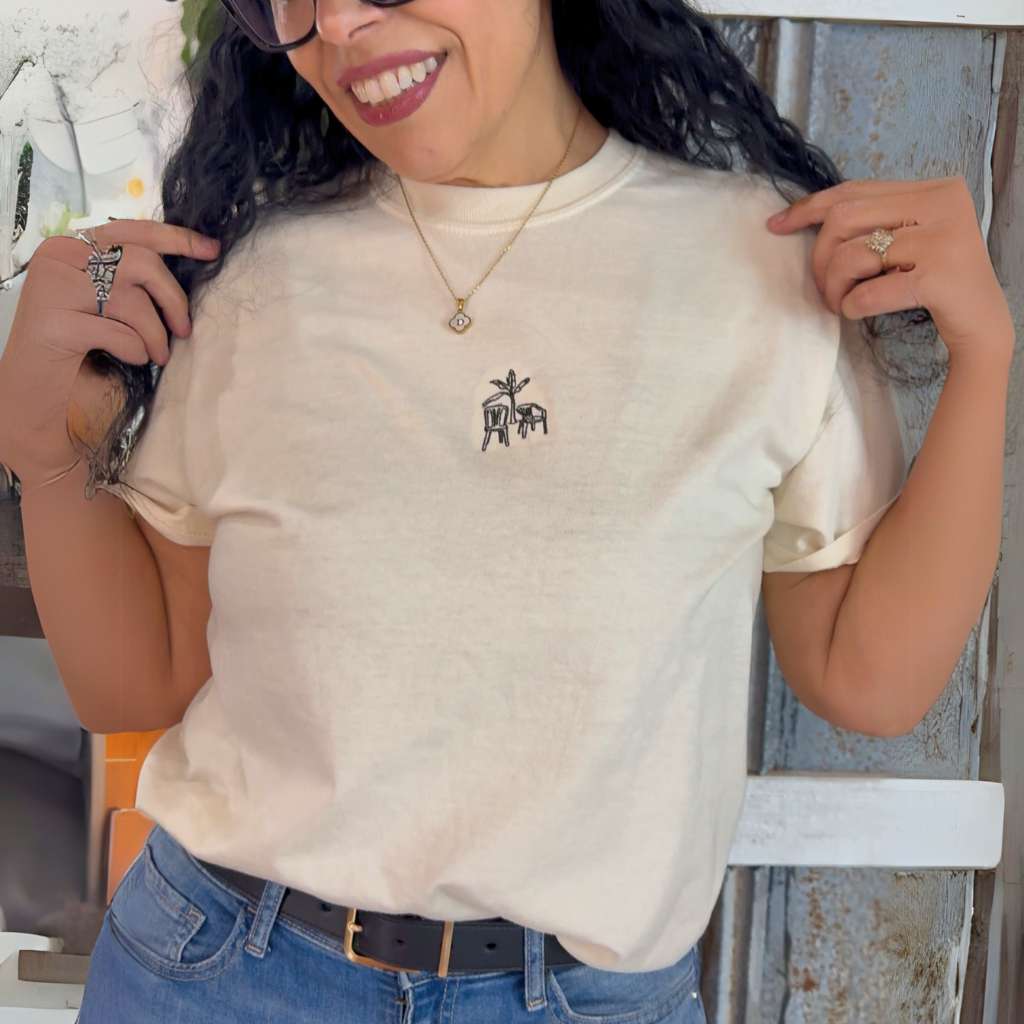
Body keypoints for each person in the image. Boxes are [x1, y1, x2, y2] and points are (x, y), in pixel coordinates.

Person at [5, 0, 913, 1021]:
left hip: (584, 996)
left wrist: (988, 359)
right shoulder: (255, 274)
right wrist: (48, 453)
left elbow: (870, 685)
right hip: (224, 974)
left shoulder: (762, 266)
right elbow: (139, 681)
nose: (339, 22)